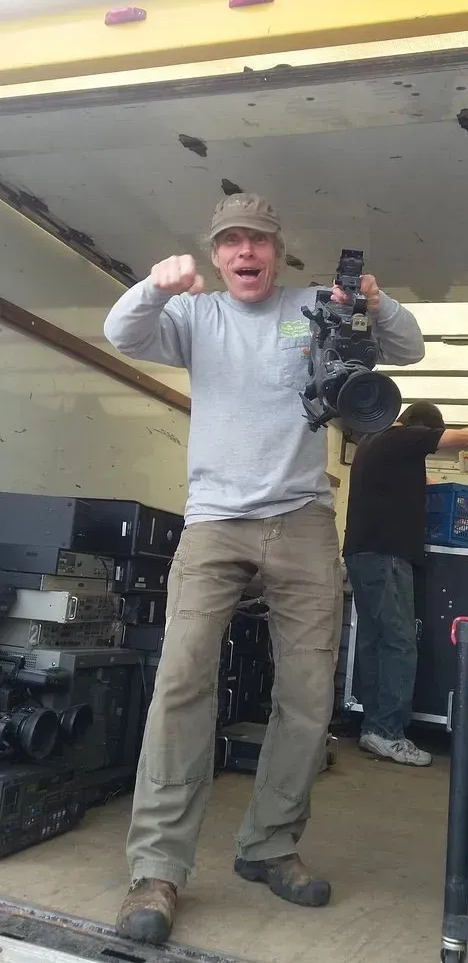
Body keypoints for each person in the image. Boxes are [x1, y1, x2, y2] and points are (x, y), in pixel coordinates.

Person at [103, 193, 425, 945]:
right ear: (217, 255)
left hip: (303, 520)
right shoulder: (195, 315)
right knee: (182, 680)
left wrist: (375, 301)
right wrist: (153, 285)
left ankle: (269, 844)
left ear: (278, 251)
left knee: (309, 694)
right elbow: (122, 333)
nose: (244, 251)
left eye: (258, 240)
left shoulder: (316, 307)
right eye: (231, 241)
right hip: (214, 521)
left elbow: (407, 350)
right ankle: (157, 868)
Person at [343, 401, 468, 767]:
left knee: (375, 641)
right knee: (399, 642)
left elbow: (402, 487)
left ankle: (374, 728)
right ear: (420, 428)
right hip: (387, 555)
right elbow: (464, 437)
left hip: (362, 552)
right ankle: (389, 733)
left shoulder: (372, 444)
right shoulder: (403, 437)